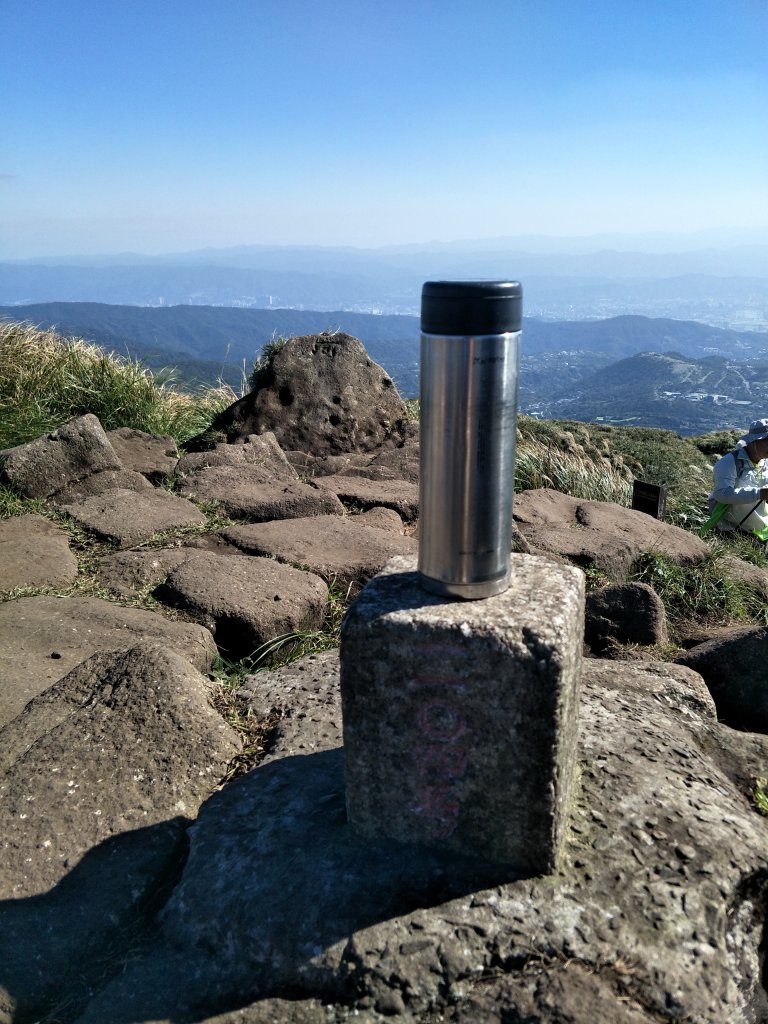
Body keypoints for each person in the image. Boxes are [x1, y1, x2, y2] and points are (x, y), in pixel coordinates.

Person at [707, 419, 768, 538]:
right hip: (734, 532)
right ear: (753, 441)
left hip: (762, 532)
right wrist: (759, 493)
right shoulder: (729, 462)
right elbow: (721, 494)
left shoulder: (765, 462)